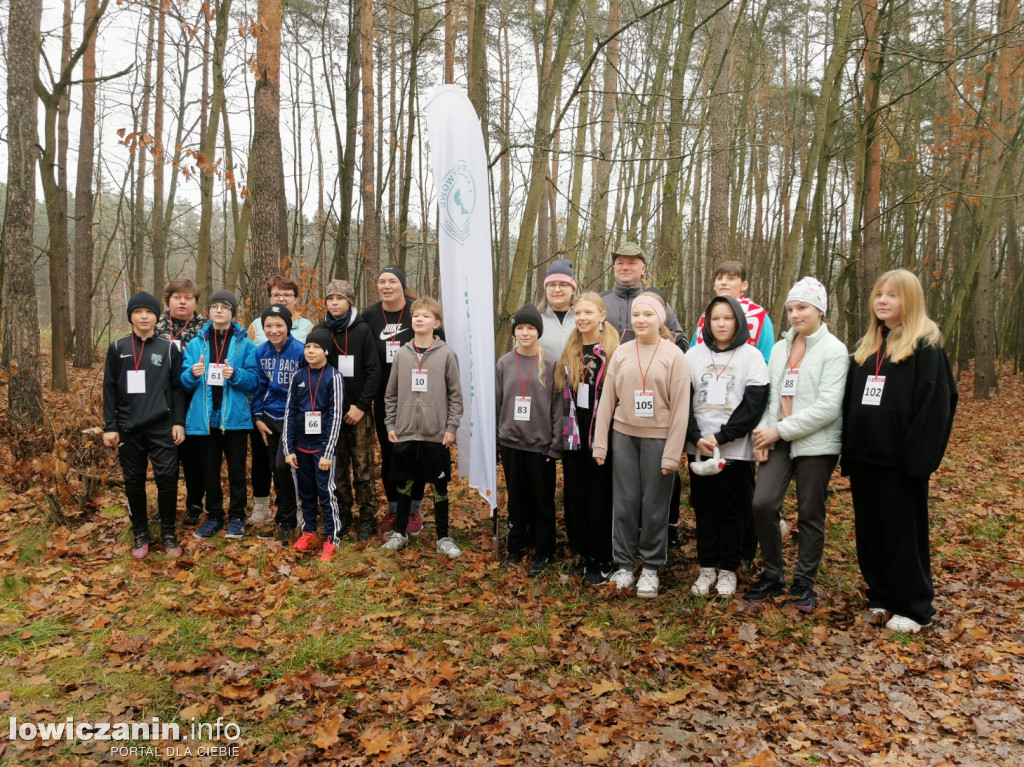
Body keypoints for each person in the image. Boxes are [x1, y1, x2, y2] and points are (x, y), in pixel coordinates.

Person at [843, 269, 957, 633]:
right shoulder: (867, 347)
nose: (882, 301)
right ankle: (881, 595)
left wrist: (918, 461)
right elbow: (850, 402)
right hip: (865, 457)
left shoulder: (926, 347)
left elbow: (935, 407)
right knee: (871, 532)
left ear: (910, 300)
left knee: (903, 534)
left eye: (892, 295)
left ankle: (914, 606)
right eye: (879, 294)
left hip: (902, 462)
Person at [745, 277, 848, 613]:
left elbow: (828, 407)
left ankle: (804, 581)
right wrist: (763, 434)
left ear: (820, 310)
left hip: (816, 443)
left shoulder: (834, 350)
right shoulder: (780, 348)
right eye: (790, 308)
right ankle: (773, 574)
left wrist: (780, 430)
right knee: (762, 503)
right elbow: (770, 396)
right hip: (777, 439)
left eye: (802, 307)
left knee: (810, 512)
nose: (794, 314)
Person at [592, 292, 689, 599]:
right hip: (624, 436)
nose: (641, 320)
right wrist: (600, 444)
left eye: (648, 315)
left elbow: (681, 408)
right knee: (625, 503)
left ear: (660, 318)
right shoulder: (621, 352)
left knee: (655, 506)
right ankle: (624, 565)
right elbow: (607, 400)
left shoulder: (674, 355)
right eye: (636, 315)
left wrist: (672, 454)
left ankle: (650, 568)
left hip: (659, 439)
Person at [689, 260, 775, 566]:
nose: (721, 324)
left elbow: (755, 401)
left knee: (734, 506)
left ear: (739, 321)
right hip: (700, 444)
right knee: (704, 508)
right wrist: (695, 436)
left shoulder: (752, 353)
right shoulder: (693, 355)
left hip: (736, 445)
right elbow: (683, 398)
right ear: (707, 322)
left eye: (728, 318)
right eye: (715, 319)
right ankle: (707, 565)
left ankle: (733, 563)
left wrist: (725, 435)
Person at [103, 292, 187, 558]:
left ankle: (168, 533)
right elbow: (109, 388)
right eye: (138, 312)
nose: (144, 316)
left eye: (149, 312)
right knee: (133, 480)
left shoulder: (169, 348)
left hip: (162, 425)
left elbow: (177, 388)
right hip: (128, 426)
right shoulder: (117, 348)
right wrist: (110, 425)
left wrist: (178, 422)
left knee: (167, 479)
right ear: (131, 316)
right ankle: (140, 532)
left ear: (156, 317)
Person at [365, 266, 446, 536]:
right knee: (390, 456)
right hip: (386, 398)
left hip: (418, 397)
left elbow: (438, 348)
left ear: (402, 285)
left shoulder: (418, 311)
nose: (387, 286)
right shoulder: (370, 316)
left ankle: (413, 511)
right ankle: (394, 510)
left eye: (392, 281)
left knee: (416, 456)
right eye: (382, 281)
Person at [382, 298, 464, 557]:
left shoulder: (447, 354)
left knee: (439, 487)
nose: (419, 319)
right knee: (403, 485)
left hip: (436, 434)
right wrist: (391, 423)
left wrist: (451, 427)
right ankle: (400, 532)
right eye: (416, 315)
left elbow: (455, 395)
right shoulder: (402, 354)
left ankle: (443, 536)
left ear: (436, 323)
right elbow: (391, 394)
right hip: (405, 431)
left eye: (426, 316)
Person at [182, 290, 259, 540]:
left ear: (232, 312)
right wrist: (192, 374)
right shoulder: (196, 344)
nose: (219, 311)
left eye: (224, 307)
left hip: (234, 418)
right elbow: (183, 381)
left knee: (237, 471)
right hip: (205, 419)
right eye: (214, 306)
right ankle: (214, 515)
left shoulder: (245, 344)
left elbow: (254, 380)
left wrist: (235, 375)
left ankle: (237, 517)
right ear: (208, 311)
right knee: (209, 471)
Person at [555, 293, 619, 584]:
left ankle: (604, 558)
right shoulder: (571, 349)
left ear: (602, 315)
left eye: (588, 312)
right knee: (576, 495)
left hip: (601, 435)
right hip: (574, 434)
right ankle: (585, 554)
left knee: (600, 496)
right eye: (578, 313)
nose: (582, 318)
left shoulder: (613, 350)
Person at [496, 304, 563, 576]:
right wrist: (497, 441)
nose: (525, 333)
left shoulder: (551, 363)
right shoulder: (504, 363)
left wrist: (555, 445)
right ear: (514, 332)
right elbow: (497, 402)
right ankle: (516, 546)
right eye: (520, 328)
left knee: (542, 500)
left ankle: (544, 551)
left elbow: (558, 407)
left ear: (539, 332)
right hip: (511, 443)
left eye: (531, 328)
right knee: (516, 499)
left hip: (540, 446)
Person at [321, 279, 382, 542]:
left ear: (350, 302)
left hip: (358, 413)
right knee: (337, 469)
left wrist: (361, 406)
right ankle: (343, 515)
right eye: (330, 298)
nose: (335, 303)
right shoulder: (321, 331)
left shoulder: (363, 330)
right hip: (330, 414)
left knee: (363, 468)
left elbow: (374, 371)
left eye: (340, 299)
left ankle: (367, 517)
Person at [284, 326, 345, 561]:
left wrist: (328, 452)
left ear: (326, 351)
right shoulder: (298, 377)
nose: (310, 351)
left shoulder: (334, 377)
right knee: (306, 492)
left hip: (322, 448)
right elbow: (290, 413)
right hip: (301, 447)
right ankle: (308, 531)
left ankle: (331, 537)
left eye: (316, 347)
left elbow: (336, 416)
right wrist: (288, 449)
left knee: (326, 492)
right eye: (308, 346)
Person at [155, 278, 207, 525]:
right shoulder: (155, 326)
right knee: (166, 457)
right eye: (177, 298)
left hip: (195, 400)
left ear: (195, 302)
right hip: (161, 401)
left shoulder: (205, 329)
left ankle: (195, 503)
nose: (182, 302)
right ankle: (166, 505)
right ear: (168, 300)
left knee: (194, 457)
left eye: (188, 298)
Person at [251, 304, 304, 542]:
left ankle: (292, 520)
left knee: (285, 467)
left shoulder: (300, 351)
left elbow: (307, 387)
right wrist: (258, 417)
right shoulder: (261, 352)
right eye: (268, 326)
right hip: (269, 418)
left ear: (288, 326)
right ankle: (283, 519)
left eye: (279, 325)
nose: (273, 330)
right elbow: (259, 386)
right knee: (275, 468)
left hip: (291, 419)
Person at [690, 261, 774, 363]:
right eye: (719, 278)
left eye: (731, 278)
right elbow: (693, 352)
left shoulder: (759, 316)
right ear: (714, 286)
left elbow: (767, 357)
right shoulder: (706, 315)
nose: (723, 282)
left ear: (744, 285)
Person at [600, 242, 685, 341]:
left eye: (631, 263)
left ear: (643, 269)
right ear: (614, 268)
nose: (625, 267)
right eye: (620, 263)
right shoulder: (599, 302)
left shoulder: (655, 302)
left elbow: (681, 341)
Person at [247, 276, 314, 344]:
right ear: (270, 298)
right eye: (276, 295)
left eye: (287, 295)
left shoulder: (307, 327)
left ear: (295, 299)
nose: (281, 299)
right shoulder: (256, 326)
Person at [537, 259, 578, 359]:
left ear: (573, 290)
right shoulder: (535, 319)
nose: (557, 290)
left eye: (563, 285)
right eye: (552, 285)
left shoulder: (584, 318)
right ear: (546, 289)